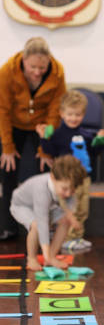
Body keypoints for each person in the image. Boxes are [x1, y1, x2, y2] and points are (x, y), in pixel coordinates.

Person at [0, 37, 66, 240]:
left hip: (42, 125)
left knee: (47, 171)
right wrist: (8, 148)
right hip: (14, 123)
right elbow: (2, 110)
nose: (37, 72)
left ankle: (46, 226)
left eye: (42, 67)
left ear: (49, 62)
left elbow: (56, 112)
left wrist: (46, 147)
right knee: (7, 169)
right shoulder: (7, 72)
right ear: (23, 59)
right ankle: (7, 227)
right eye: (33, 67)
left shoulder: (57, 73)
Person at [36, 90, 104, 251]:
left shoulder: (87, 135)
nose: (73, 118)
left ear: (83, 115)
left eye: (77, 114)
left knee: (83, 210)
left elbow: (94, 153)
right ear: (62, 113)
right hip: (66, 181)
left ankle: (76, 237)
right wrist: (43, 137)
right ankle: (66, 239)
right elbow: (50, 150)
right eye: (70, 114)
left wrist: (101, 141)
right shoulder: (58, 134)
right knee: (68, 209)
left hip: (83, 178)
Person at [10, 155, 86, 271]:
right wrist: (45, 252)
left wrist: (72, 218)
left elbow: (69, 206)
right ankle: (32, 259)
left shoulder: (67, 187)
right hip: (21, 206)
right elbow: (42, 223)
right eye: (65, 189)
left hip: (43, 207)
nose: (68, 193)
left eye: (72, 190)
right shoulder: (42, 189)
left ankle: (51, 257)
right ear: (53, 178)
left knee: (66, 220)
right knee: (35, 225)